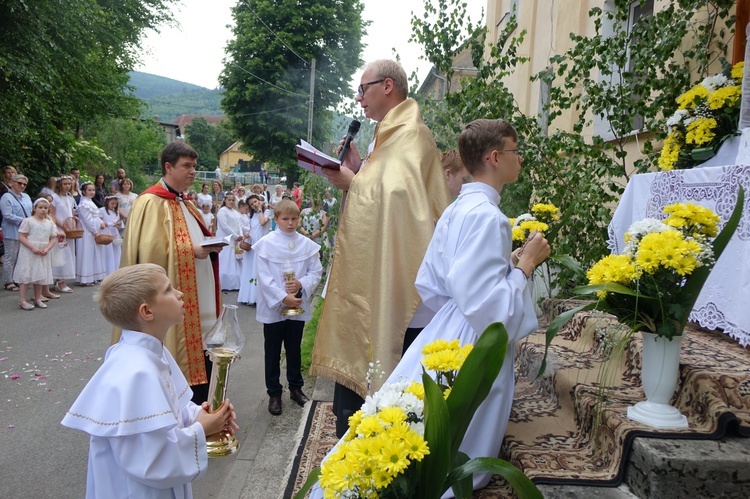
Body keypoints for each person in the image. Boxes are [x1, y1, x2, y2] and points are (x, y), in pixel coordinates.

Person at [390, 119, 548, 494]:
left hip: (449, 323)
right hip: (475, 338)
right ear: (495, 157)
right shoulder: (490, 217)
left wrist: (502, 269)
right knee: (462, 427)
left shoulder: (458, 209)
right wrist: (525, 266)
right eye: (514, 150)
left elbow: (433, 280)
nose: (519, 157)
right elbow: (490, 310)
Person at [309, 59, 451, 437]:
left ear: (388, 85)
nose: (359, 99)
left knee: (387, 384)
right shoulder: (385, 136)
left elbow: (401, 203)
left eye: (363, 89)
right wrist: (359, 168)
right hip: (370, 279)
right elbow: (384, 192)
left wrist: (352, 182)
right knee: (354, 389)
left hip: (398, 290)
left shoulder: (411, 135)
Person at [61, 263, 237, 499]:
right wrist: (202, 428)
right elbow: (150, 461)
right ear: (147, 312)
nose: (179, 293)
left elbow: (172, 410)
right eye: (168, 290)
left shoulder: (153, 352)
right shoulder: (136, 372)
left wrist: (202, 415)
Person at [119, 142, 222, 404]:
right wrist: (192, 250)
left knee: (204, 348)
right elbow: (150, 255)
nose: (193, 172)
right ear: (168, 167)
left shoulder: (184, 202)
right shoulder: (150, 202)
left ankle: (202, 407)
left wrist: (209, 246)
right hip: (173, 295)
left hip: (199, 292)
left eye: (194, 166)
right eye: (186, 166)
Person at [254, 199, 323, 415]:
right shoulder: (266, 244)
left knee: (294, 348)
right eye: (285, 219)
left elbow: (316, 271)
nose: (290, 223)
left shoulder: (306, 244)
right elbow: (264, 278)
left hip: (298, 304)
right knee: (273, 351)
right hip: (275, 307)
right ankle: (274, 393)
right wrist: (284, 297)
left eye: (294, 219)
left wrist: (301, 284)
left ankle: (296, 388)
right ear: (276, 220)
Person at [14, 198, 58, 310]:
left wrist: (47, 248)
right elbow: (21, 236)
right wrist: (33, 247)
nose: (43, 210)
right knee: (26, 275)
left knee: (39, 275)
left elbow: (53, 238)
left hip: (43, 251)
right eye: (40, 207)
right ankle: (22, 300)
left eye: (46, 208)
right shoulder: (28, 221)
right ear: (34, 208)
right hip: (29, 251)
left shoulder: (49, 223)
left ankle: (38, 298)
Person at [1, 174, 33, 292]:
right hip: (12, 231)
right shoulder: (6, 197)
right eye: (19, 183)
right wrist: (25, 221)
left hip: (25, 232)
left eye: (24, 184)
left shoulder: (26, 196)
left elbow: (31, 211)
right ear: (12, 183)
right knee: (11, 256)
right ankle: (8, 281)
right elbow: (7, 215)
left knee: (21, 257)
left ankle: (17, 278)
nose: (22, 186)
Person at [76, 182, 106, 286]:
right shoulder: (84, 204)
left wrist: (101, 223)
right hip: (88, 231)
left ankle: (95, 276)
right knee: (87, 252)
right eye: (89, 190)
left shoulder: (90, 202)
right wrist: (94, 231)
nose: (92, 192)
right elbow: (87, 219)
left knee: (95, 253)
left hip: (95, 228)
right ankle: (86, 278)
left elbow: (96, 216)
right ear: (83, 191)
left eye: (93, 190)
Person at [50, 175, 77, 293]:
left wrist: (73, 225)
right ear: (60, 185)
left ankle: (62, 279)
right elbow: (51, 215)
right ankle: (59, 281)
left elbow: (71, 214)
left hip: (68, 230)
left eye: (69, 184)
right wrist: (63, 225)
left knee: (67, 255)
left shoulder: (70, 198)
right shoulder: (55, 198)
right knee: (60, 255)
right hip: (59, 229)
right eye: (65, 184)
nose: (67, 186)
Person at [215, 193, 243, 291]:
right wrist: (235, 236)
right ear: (225, 200)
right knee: (226, 260)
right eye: (229, 200)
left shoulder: (235, 212)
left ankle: (235, 282)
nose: (231, 202)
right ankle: (224, 282)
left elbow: (239, 224)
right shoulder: (222, 211)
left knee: (235, 260)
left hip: (235, 240)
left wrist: (241, 234)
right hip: (226, 239)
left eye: (232, 200)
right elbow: (225, 226)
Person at [99, 196, 122, 276]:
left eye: (115, 204)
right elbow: (101, 222)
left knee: (116, 251)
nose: (114, 205)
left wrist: (118, 224)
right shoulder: (102, 210)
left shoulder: (116, 212)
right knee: (108, 252)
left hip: (115, 233)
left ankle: (116, 270)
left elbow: (117, 220)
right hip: (106, 232)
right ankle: (108, 271)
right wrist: (110, 224)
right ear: (107, 202)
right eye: (112, 203)